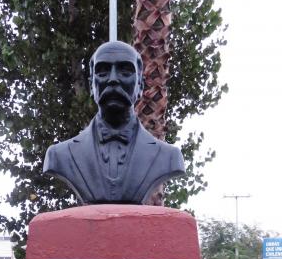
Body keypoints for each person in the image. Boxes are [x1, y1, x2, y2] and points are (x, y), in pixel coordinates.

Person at [43, 41, 185, 204]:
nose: (113, 80)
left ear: (140, 84)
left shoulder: (168, 157)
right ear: (91, 85)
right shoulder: (59, 156)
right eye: (102, 72)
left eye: (125, 71)